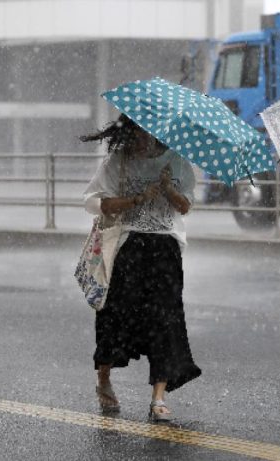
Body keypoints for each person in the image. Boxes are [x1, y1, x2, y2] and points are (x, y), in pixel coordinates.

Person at [80, 114, 201, 422]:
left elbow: (185, 205)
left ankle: (158, 397)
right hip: (128, 246)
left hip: (165, 249)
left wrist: (166, 189)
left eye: (148, 132)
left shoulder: (177, 161)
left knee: (165, 319)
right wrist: (135, 199)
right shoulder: (118, 161)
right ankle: (104, 379)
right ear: (129, 132)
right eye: (138, 132)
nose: (144, 138)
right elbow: (97, 203)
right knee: (114, 315)